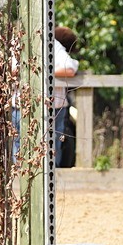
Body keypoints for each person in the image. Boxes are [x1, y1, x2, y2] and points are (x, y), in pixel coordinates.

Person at [53, 26, 79, 166]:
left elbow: (69, 68)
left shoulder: (55, 48)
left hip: (58, 105)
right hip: (59, 104)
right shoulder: (57, 49)